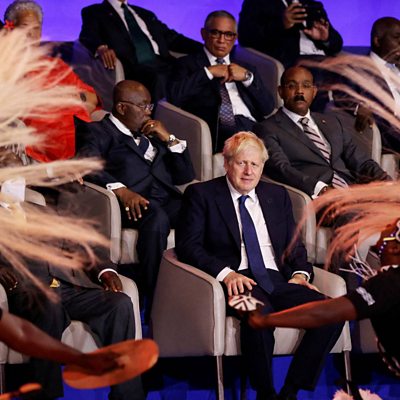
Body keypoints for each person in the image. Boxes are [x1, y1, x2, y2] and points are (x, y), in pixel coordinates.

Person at [175, 131, 343, 400]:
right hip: (237, 283)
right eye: (242, 163)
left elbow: (294, 246)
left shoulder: (277, 195)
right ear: (227, 163)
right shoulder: (202, 194)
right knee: (258, 317)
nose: (248, 171)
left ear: (263, 167)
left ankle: (290, 392)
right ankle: (265, 394)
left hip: (277, 280)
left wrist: (300, 275)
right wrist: (226, 274)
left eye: (255, 164)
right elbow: (187, 245)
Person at [75, 79, 194, 313]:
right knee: (157, 217)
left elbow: (185, 175)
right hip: (131, 204)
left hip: (166, 199)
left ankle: (199, 288)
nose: (149, 112)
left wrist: (168, 137)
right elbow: (86, 164)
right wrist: (120, 189)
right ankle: (154, 299)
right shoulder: (98, 131)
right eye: (143, 106)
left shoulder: (152, 133)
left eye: (150, 106)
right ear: (122, 108)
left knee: (202, 208)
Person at [248, 219, 400, 377]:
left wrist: (265, 320)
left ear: (394, 247)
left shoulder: (389, 283)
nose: (383, 228)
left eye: (389, 227)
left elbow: (324, 313)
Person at [0, 249, 145, 400]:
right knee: (49, 308)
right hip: (30, 287)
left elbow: (88, 243)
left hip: (72, 285)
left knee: (119, 305)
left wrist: (105, 271)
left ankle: (128, 396)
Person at [254, 66, 390, 199]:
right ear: (280, 92)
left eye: (306, 86)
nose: (299, 91)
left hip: (353, 190)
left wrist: (387, 181)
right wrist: (321, 189)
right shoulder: (267, 129)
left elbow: (361, 161)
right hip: (317, 197)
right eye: (291, 86)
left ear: (314, 92)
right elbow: (282, 169)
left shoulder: (332, 122)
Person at [4, 0, 101, 163]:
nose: (31, 35)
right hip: (39, 135)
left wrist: (74, 98)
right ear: (11, 29)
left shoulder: (55, 65)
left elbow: (92, 98)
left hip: (82, 136)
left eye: (36, 29)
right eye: (25, 27)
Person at [167, 10, 274, 154]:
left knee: (282, 137)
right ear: (204, 34)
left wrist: (247, 78)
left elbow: (268, 107)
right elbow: (174, 97)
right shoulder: (187, 64)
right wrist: (208, 72)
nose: (221, 40)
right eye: (215, 33)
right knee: (253, 145)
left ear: (235, 38)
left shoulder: (246, 68)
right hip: (220, 126)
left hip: (252, 124)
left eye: (228, 34)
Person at [79, 0, 202, 101]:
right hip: (134, 66)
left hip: (163, 62)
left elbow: (173, 38)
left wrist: (205, 48)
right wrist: (100, 47)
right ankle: (159, 119)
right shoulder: (94, 12)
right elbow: (87, 35)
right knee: (159, 78)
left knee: (196, 68)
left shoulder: (145, 13)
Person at [334, 17, 400, 154]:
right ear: (377, 41)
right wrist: (359, 108)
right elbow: (342, 96)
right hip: (389, 133)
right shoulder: (356, 68)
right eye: (396, 37)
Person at [237, 0, 343, 69]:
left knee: (351, 65)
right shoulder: (257, 3)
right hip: (291, 62)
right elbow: (246, 37)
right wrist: (282, 23)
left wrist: (325, 38)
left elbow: (337, 43)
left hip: (322, 58)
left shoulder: (312, 5)